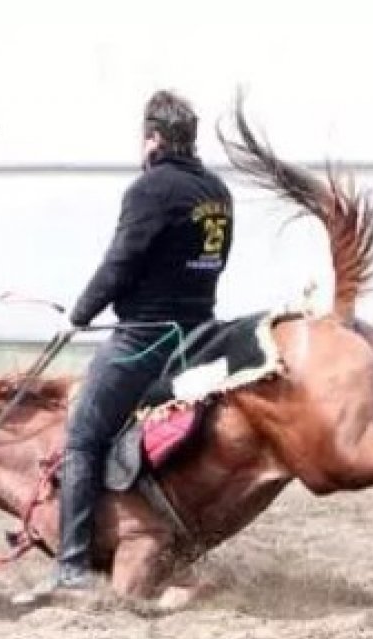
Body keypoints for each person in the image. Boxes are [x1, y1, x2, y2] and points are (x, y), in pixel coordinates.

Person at [14, 90, 235, 604]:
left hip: (146, 340)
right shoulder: (217, 191)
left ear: (153, 137)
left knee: (83, 437)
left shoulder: (150, 189)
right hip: (202, 333)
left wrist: (78, 315)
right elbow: (214, 262)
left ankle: (70, 568)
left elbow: (121, 262)